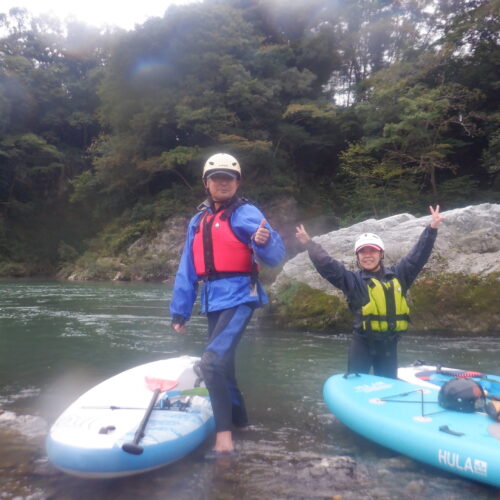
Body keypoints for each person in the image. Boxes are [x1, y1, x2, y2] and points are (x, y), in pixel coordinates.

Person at [170, 153, 285, 457]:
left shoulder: (245, 213)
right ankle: (241, 424)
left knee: (210, 363)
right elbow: (187, 268)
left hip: (239, 297)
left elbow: (275, 256)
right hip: (213, 300)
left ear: (237, 183)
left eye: (228, 178)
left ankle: (224, 439)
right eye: (216, 178)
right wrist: (180, 310)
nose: (222, 183)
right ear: (206, 183)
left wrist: (263, 241)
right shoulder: (198, 221)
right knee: (224, 368)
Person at [295, 206, 444, 379]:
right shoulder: (352, 281)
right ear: (357, 257)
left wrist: (431, 229)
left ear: (381, 254)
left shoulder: (399, 276)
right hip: (362, 344)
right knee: (356, 382)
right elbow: (327, 265)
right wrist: (309, 244)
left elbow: (417, 256)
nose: (367, 255)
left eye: (372, 251)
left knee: (388, 384)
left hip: (389, 345)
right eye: (362, 252)